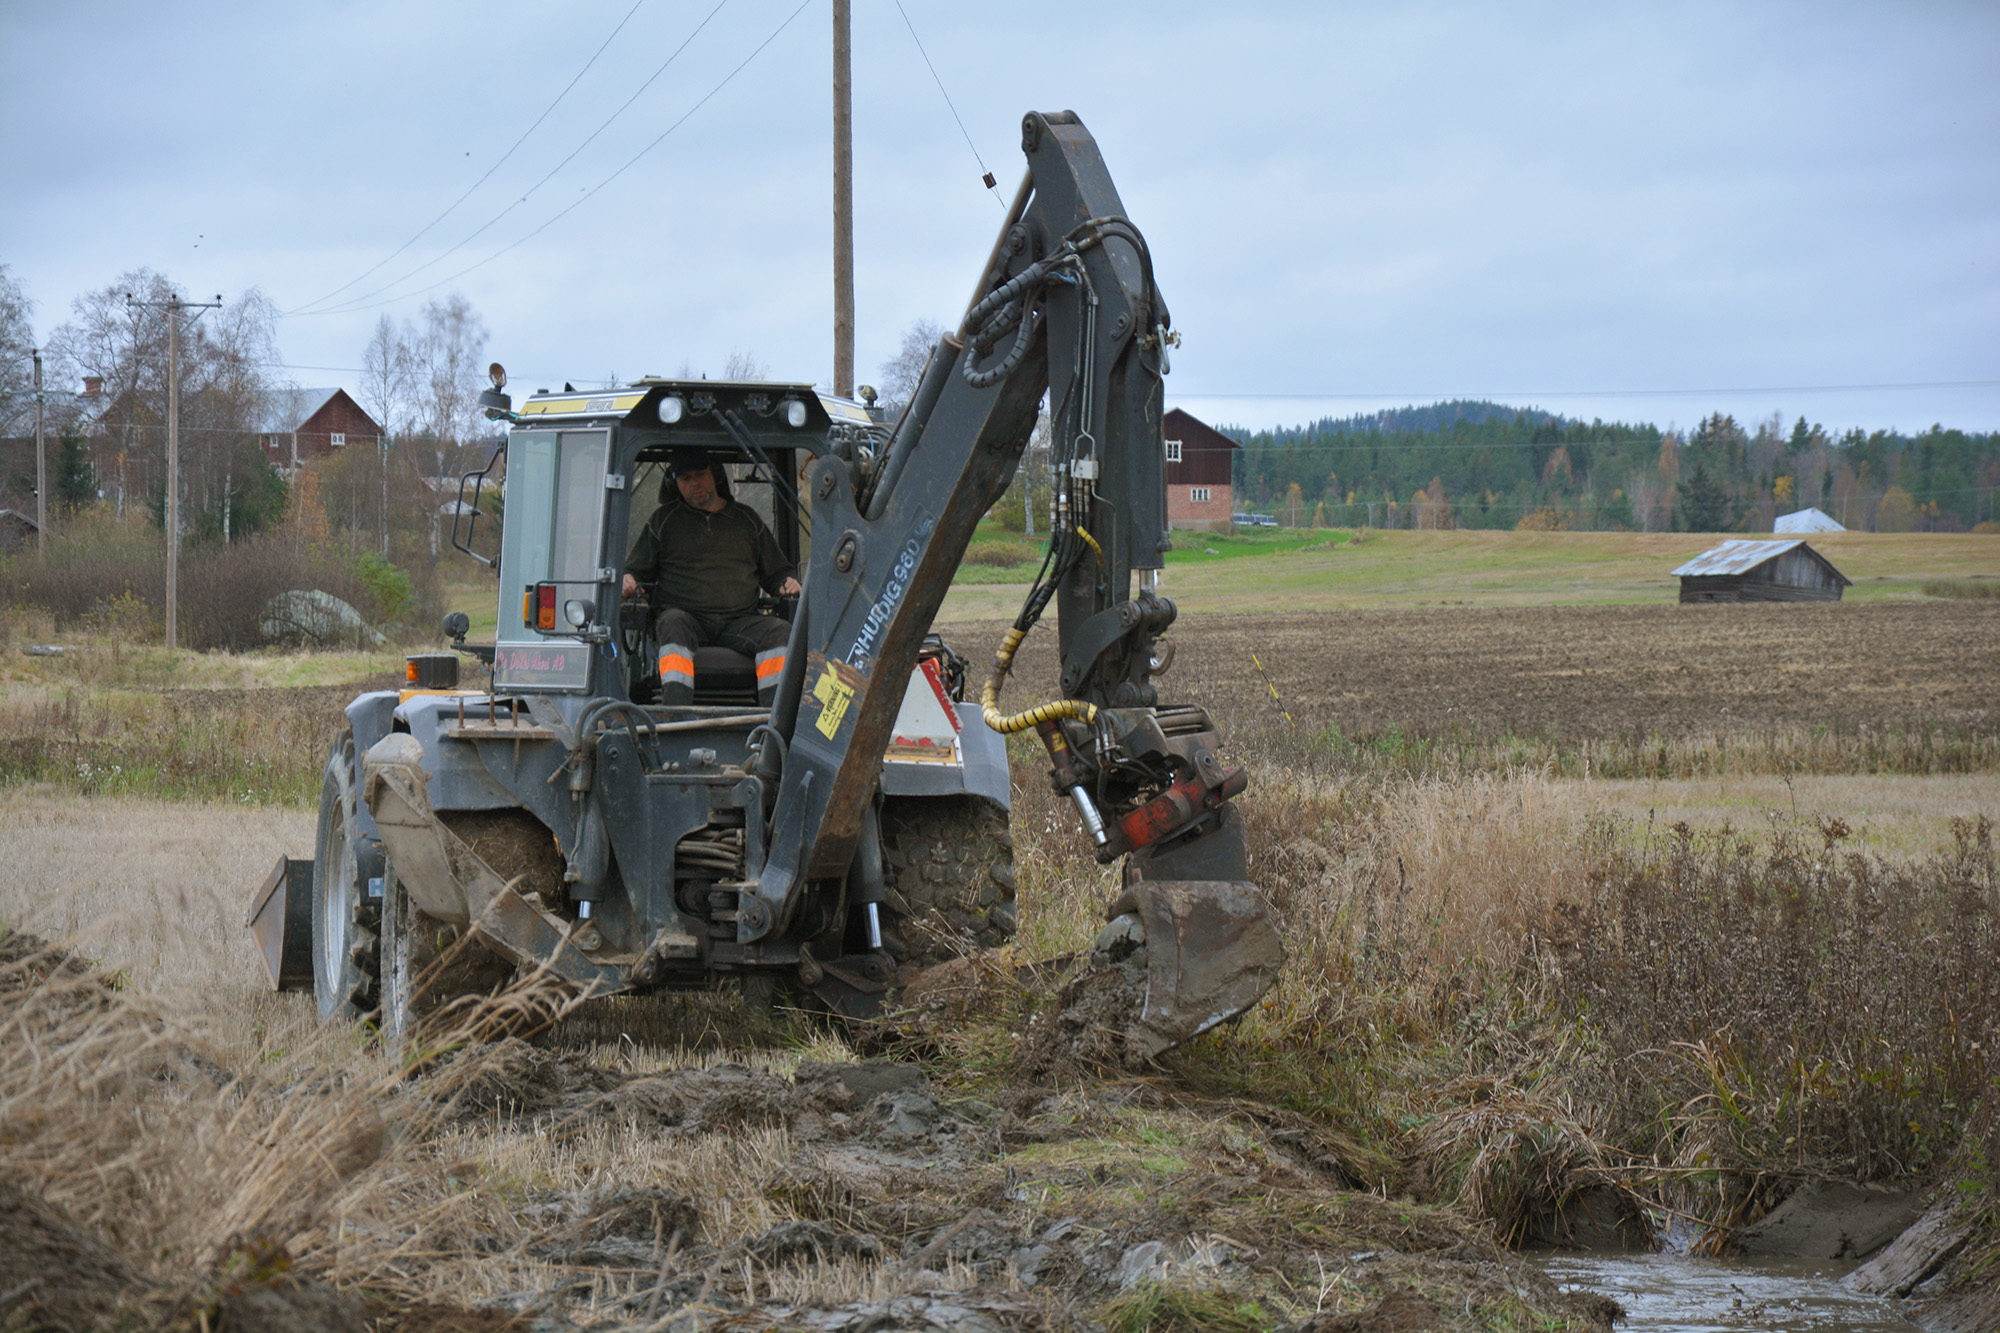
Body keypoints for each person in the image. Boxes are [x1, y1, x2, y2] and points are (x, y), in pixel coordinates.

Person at [622, 450, 802, 706]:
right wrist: (628, 578)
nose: (694, 483)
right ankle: (677, 714)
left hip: (739, 621)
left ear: (714, 475)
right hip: (687, 620)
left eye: (700, 475)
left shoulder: (747, 521)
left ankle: (773, 719)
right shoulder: (664, 522)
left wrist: (787, 581)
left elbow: (777, 572)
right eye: (685, 478)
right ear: (676, 484)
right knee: (671, 621)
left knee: (780, 632)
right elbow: (636, 571)